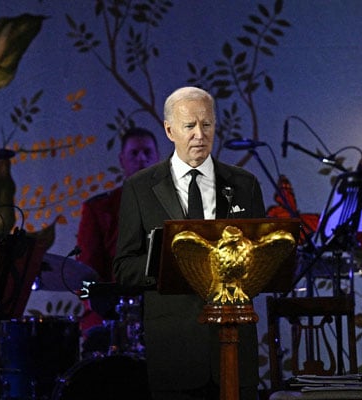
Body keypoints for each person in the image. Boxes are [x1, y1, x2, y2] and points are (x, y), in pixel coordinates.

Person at [113, 86, 265, 400]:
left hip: (235, 345)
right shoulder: (140, 188)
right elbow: (123, 268)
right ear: (169, 130)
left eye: (206, 125)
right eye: (189, 126)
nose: (199, 134)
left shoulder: (244, 184)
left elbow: (261, 262)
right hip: (175, 352)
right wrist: (166, 264)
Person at [77, 127, 160, 282]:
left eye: (147, 152)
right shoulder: (100, 209)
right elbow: (86, 268)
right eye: (134, 153)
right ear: (122, 160)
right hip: (120, 300)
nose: (141, 159)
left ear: (158, 158)